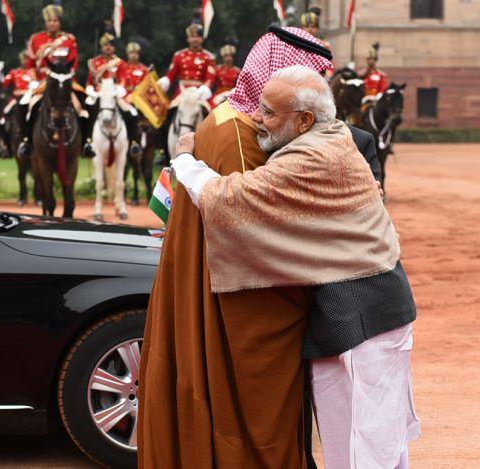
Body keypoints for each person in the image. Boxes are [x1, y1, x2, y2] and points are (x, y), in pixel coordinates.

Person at [172, 65, 421, 469]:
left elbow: (226, 196)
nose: (256, 118)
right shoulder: (332, 134)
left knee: (363, 448)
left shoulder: (312, 157)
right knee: (369, 440)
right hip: (358, 314)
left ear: (305, 120)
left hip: (363, 318)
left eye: (269, 113)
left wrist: (184, 157)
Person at [138, 26, 333, 468]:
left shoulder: (229, 116)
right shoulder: (244, 142)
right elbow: (258, 247)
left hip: (209, 288)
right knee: (247, 423)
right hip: (236, 311)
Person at [17, 4, 82, 159]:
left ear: (60, 22)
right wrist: (33, 77)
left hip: (65, 80)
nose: (52, 23)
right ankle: (26, 141)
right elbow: (31, 63)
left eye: (55, 20)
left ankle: (86, 142)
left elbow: (75, 62)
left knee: (85, 104)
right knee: (25, 104)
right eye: (49, 21)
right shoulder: (36, 39)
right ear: (45, 23)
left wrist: (66, 76)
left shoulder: (69, 39)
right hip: (43, 81)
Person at [155, 15, 216, 165]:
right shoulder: (179, 55)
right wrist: (166, 80)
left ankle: (213, 149)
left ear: (202, 39)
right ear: (188, 38)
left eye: (198, 37)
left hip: (199, 94)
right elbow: (172, 73)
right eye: (192, 37)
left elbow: (211, 76)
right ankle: (163, 151)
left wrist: (206, 87)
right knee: (165, 116)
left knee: (212, 118)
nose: (195, 40)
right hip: (181, 94)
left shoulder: (209, 57)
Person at [84, 32, 141, 157]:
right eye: (105, 45)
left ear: (114, 47)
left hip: (114, 94)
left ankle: (133, 143)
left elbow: (124, 80)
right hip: (99, 94)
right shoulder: (94, 63)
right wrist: (91, 91)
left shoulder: (120, 63)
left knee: (132, 112)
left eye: (110, 45)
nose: (108, 47)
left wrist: (118, 90)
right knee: (87, 112)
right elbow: (90, 82)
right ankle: (87, 141)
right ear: (101, 47)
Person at [0, 51, 37, 159]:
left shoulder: (35, 72)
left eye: (27, 59)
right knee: (3, 120)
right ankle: (7, 147)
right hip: (17, 99)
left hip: (32, 98)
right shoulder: (15, 72)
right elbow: (2, 84)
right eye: (24, 59)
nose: (25, 61)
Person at [300, 6, 335, 78]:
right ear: (301, 28)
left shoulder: (323, 45)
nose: (309, 29)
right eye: (306, 26)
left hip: (318, 77)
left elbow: (329, 65)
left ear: (317, 29)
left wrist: (328, 74)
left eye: (312, 27)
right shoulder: (296, 42)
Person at [210, 43, 240, 107]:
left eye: (230, 56)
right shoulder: (217, 69)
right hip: (219, 93)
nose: (228, 58)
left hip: (232, 94)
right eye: (226, 56)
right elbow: (212, 82)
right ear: (223, 57)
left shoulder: (237, 71)